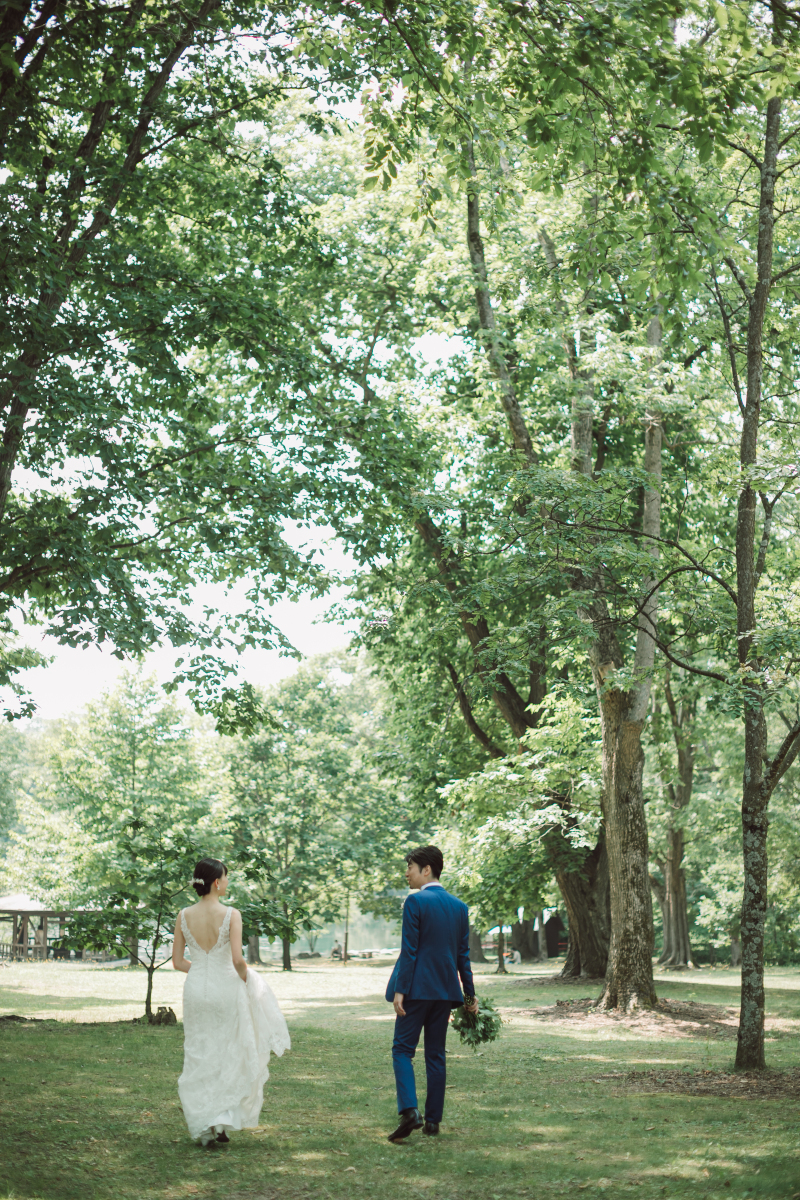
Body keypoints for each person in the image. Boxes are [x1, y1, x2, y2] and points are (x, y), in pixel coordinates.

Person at [172, 857, 290, 1146]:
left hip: (196, 991)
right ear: (216, 882)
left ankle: (206, 1127)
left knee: (200, 1050)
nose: (227, 882)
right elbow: (238, 960)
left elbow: (177, 962)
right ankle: (221, 1123)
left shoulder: (183, 914)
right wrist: (248, 980)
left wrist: (201, 970)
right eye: (225, 877)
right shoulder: (231, 914)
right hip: (226, 989)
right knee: (227, 1051)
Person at [385, 845, 478, 1142]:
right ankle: (433, 1121)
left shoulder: (415, 902)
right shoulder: (459, 907)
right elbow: (463, 957)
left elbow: (409, 950)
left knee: (402, 1050)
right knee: (436, 1054)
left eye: (410, 867)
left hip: (416, 990)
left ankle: (410, 1111)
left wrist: (401, 990)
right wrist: (468, 997)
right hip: (445, 993)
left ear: (426, 869)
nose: (406, 873)